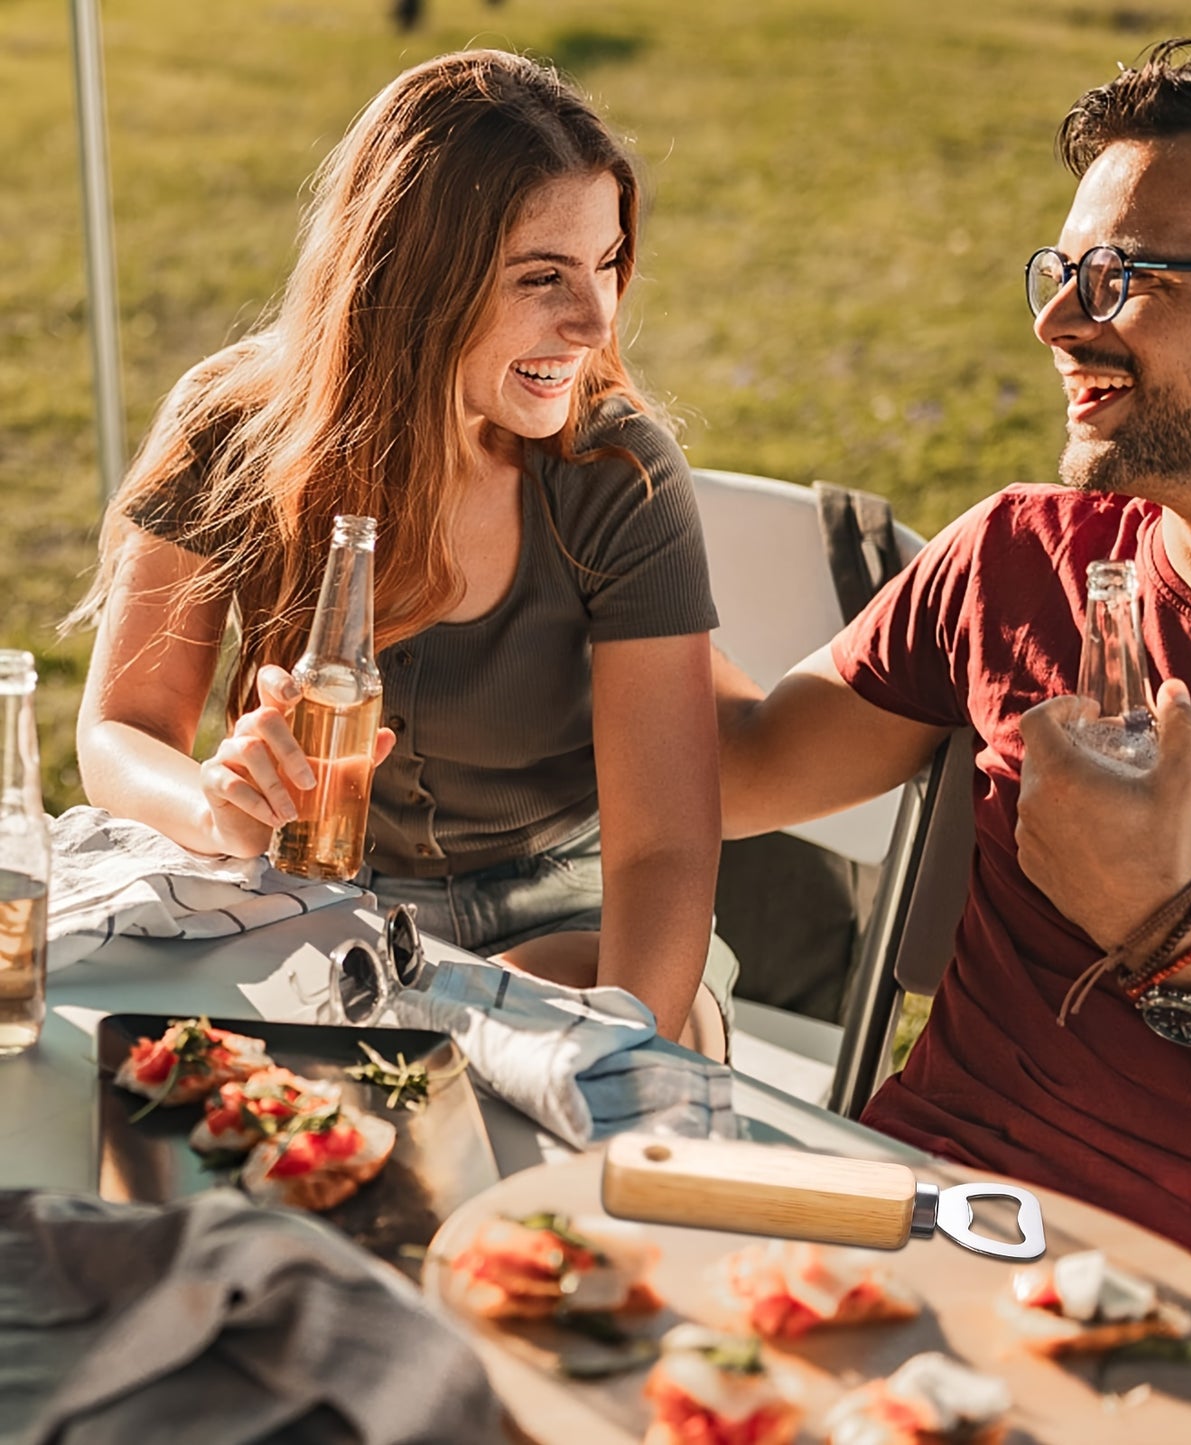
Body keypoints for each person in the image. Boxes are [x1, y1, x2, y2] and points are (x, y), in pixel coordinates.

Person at [715, 38, 1191, 1365]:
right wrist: (598, 513)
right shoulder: (1022, 558)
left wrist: (1172, 935)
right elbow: (734, 768)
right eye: (1060, 272)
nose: (1056, 319)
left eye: (1118, 276)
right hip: (918, 1242)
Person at [70, 49, 734, 1058]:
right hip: (301, 903)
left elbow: (661, 850)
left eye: (605, 263)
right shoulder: (234, 426)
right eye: (541, 276)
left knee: (457, 1071)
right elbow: (122, 727)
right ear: (416, 276)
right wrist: (212, 801)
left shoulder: (615, 475)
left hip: (564, 915)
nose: (596, 318)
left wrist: (624, 1037)